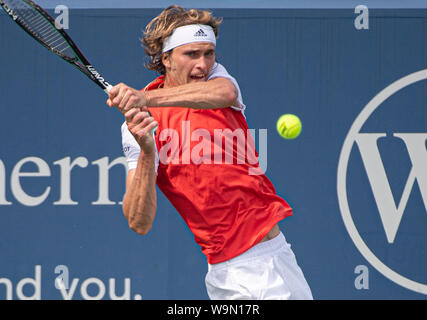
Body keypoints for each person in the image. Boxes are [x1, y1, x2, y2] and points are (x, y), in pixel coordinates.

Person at [107, 5, 313, 300]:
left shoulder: (217, 80)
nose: (202, 64)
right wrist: (148, 152)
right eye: (191, 55)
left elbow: (224, 94)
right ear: (166, 59)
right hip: (226, 273)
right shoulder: (136, 127)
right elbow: (138, 221)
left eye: (208, 53)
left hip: (273, 257)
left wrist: (145, 97)